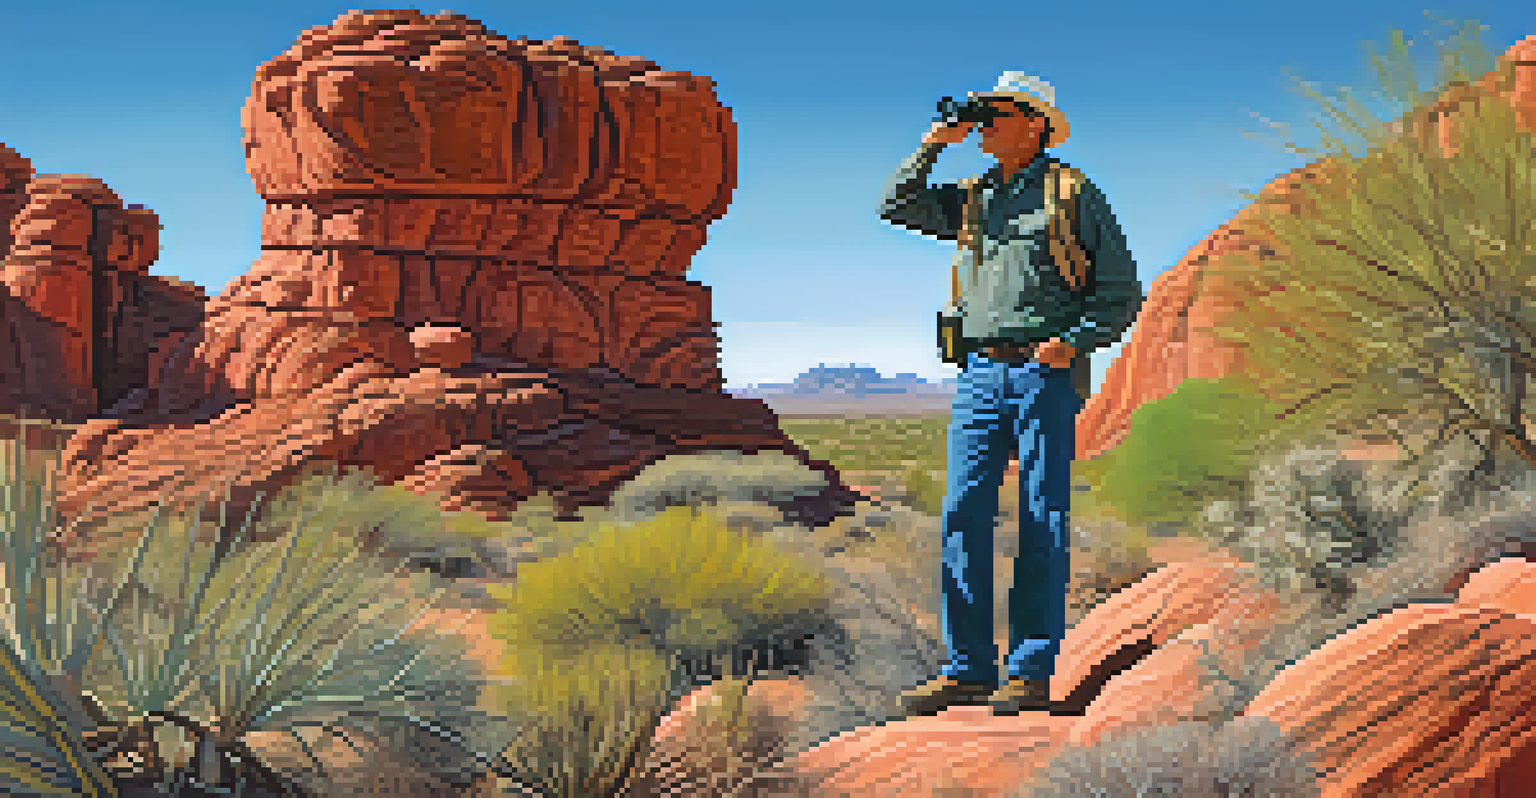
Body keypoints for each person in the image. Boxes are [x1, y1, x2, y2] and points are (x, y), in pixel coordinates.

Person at [878, 72, 1143, 717]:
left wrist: (1073, 343)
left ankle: (1028, 671)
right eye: (984, 114)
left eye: (997, 114)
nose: (986, 123)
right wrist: (936, 141)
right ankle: (967, 669)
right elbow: (895, 203)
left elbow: (1121, 293)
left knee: (1040, 516)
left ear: (1036, 124)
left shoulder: (1070, 192)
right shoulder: (972, 198)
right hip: (978, 375)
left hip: (1042, 375)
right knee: (963, 514)